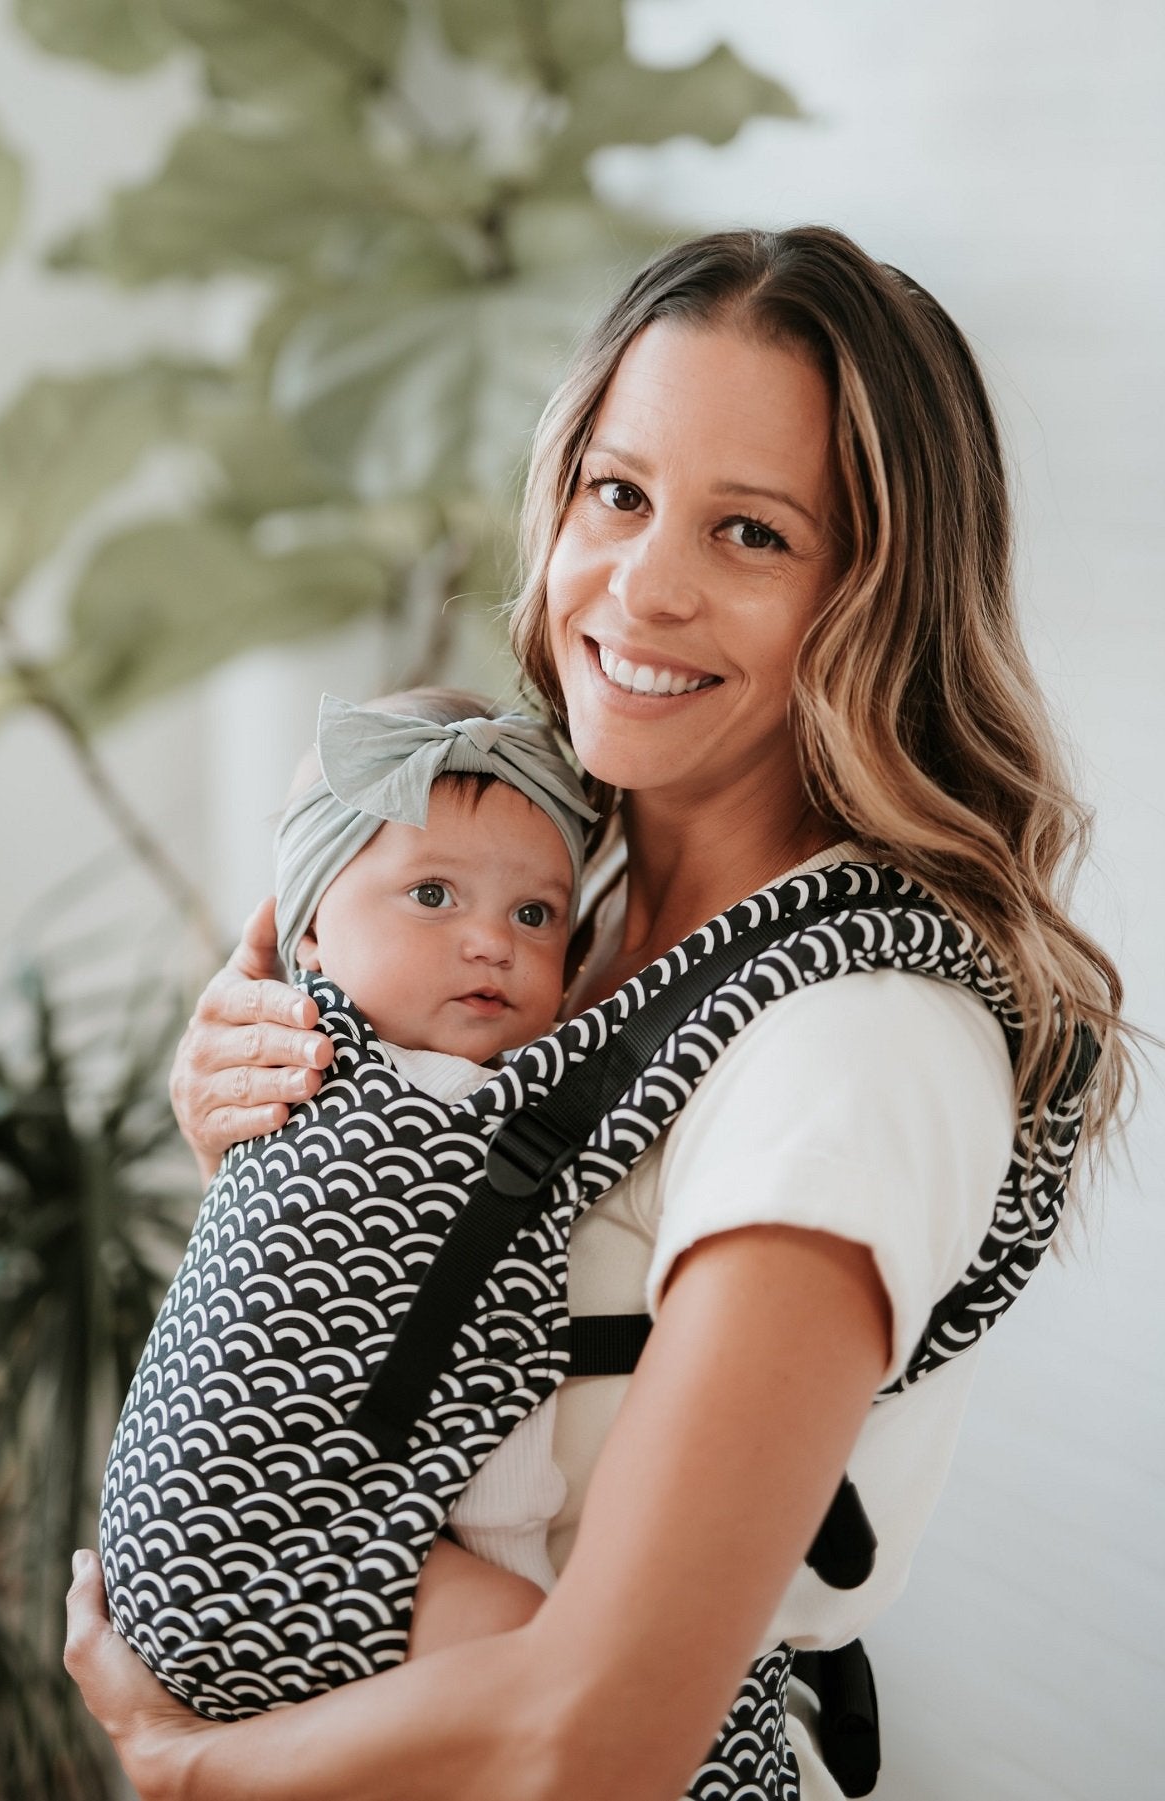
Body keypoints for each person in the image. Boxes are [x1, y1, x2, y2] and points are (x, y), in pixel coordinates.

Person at [65, 226, 1130, 1801]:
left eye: (752, 533)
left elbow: (603, 1732)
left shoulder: (859, 1040)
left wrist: (186, 1771)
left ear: (876, 599)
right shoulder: (557, 916)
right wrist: (278, 1110)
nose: (643, 585)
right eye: (617, 494)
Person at [102, 686, 601, 1707]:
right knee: (577, 1678)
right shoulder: (464, 1114)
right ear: (308, 931)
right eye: (432, 894)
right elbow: (499, 1359)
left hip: (159, 1548)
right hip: (268, 1558)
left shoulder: (294, 1068)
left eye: (536, 913)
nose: (491, 942)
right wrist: (516, 1559)